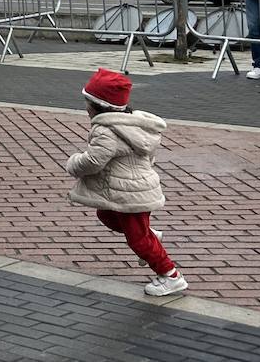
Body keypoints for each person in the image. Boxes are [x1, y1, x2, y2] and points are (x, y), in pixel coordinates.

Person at [65, 68, 186, 297]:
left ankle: (170, 276)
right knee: (106, 214)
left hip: (130, 193)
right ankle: (150, 235)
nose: (85, 108)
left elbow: (94, 161)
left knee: (138, 240)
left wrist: (73, 163)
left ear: (97, 106)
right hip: (137, 187)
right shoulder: (132, 123)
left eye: (87, 103)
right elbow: (147, 155)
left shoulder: (106, 130)